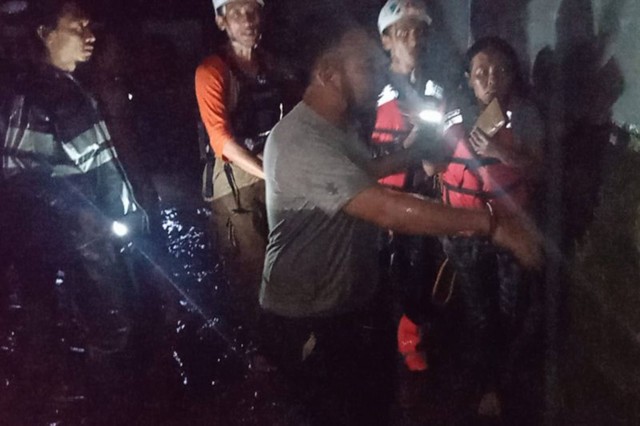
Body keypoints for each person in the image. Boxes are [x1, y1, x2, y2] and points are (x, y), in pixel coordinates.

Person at [259, 13, 541, 425]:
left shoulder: (336, 130)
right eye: (366, 66)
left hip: (349, 302)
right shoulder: (303, 141)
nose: (378, 75)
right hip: (309, 314)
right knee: (333, 411)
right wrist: (493, 225)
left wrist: (412, 153)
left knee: (374, 404)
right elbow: (386, 207)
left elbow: (364, 173)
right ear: (328, 73)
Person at [0, 0, 147, 422]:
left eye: (89, 26)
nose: (90, 35)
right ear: (46, 33)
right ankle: (114, 411)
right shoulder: (61, 92)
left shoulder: (24, 87)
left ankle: (43, 404)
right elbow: (102, 162)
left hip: (32, 231)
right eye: (77, 27)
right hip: (78, 228)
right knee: (111, 324)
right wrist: (131, 214)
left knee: (40, 323)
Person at [430, 36, 545, 419]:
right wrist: (433, 139)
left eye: (499, 70)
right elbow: (432, 167)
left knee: (513, 311)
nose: (490, 78)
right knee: (480, 311)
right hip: (465, 231)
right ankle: (488, 384)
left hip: (511, 229)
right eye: (481, 71)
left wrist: (501, 152)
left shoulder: (525, 114)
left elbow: (541, 169)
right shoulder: (453, 112)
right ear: (469, 77)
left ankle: (505, 379)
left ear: (512, 75)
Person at [194, 0, 284, 356]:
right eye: (236, 12)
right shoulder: (212, 71)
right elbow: (221, 140)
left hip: (274, 178)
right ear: (221, 21)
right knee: (252, 271)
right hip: (234, 188)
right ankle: (260, 354)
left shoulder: (269, 65)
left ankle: (287, 342)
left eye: (253, 11)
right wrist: (271, 173)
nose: (247, 20)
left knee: (283, 261)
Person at [372, 0, 448, 373]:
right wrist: (405, 147)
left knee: (418, 267)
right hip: (375, 197)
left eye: (420, 31)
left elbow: (440, 153)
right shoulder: (369, 87)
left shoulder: (434, 88)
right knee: (375, 273)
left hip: (421, 193)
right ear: (386, 40)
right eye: (403, 32)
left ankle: (410, 335)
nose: (413, 40)